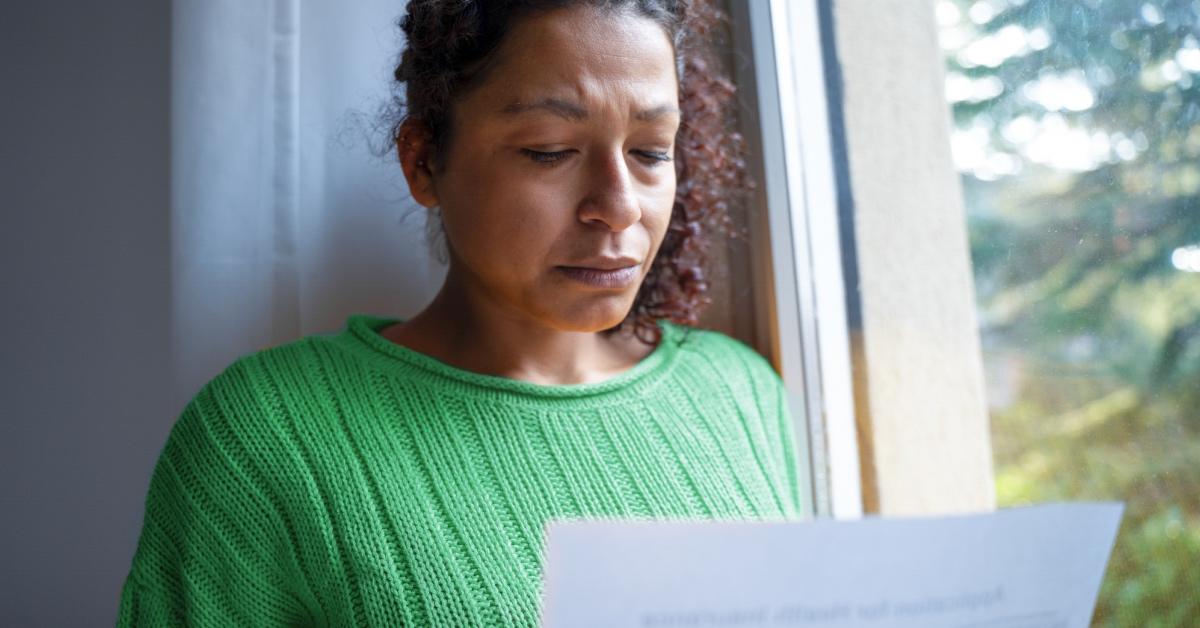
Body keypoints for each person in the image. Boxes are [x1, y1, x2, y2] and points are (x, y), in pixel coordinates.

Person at [117, 1, 804, 625]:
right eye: (550, 152)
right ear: (422, 163)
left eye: (652, 152)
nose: (621, 205)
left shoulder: (740, 394)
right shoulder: (263, 438)